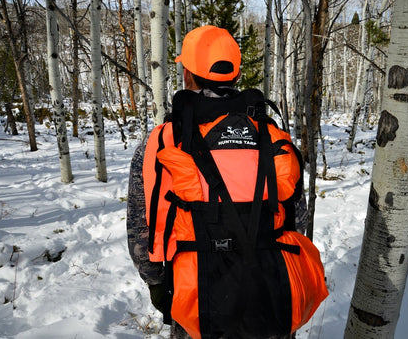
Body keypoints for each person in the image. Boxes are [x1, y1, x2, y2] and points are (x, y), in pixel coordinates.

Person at [127, 25, 316, 339]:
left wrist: (157, 285)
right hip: (270, 303)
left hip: (198, 307)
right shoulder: (272, 137)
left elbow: (142, 228)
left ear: (188, 74)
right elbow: (299, 220)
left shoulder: (163, 141)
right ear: (236, 75)